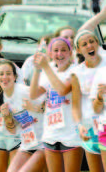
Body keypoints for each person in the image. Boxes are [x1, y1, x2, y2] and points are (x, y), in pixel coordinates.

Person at [30, 37, 83, 172]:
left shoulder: (75, 71)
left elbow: (62, 90)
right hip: (51, 132)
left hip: (71, 133)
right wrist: (37, 70)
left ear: (70, 53)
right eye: (56, 50)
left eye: (64, 50)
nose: (59, 54)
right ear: (50, 54)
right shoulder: (49, 70)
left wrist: (46, 67)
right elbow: (33, 94)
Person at [71, 30, 106, 172]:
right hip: (90, 127)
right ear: (78, 50)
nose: (89, 45)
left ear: (97, 43)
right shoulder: (77, 72)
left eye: (92, 41)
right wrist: (79, 125)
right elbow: (75, 105)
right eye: (84, 44)